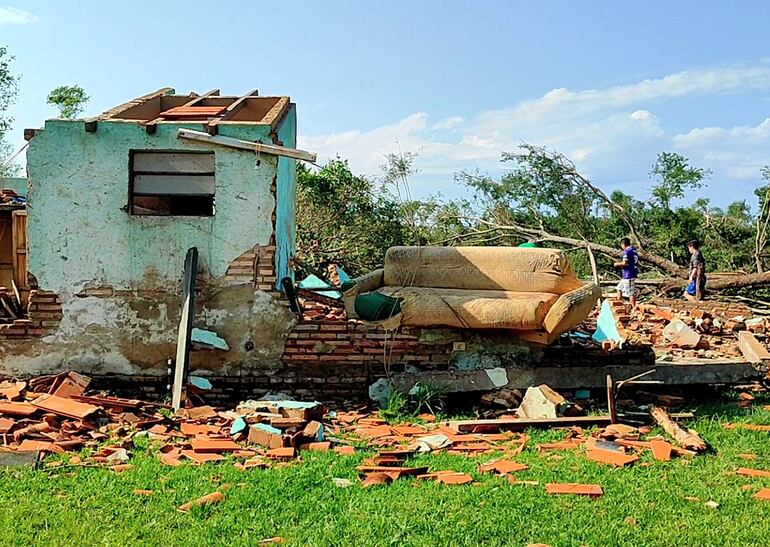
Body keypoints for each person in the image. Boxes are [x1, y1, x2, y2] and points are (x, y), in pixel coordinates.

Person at [614, 237, 639, 309]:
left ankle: (634, 308)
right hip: (627, 274)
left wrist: (617, 264)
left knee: (630, 292)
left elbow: (625, 263)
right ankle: (619, 305)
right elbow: (630, 263)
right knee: (619, 288)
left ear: (623, 244)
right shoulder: (634, 251)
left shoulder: (627, 251)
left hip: (629, 275)